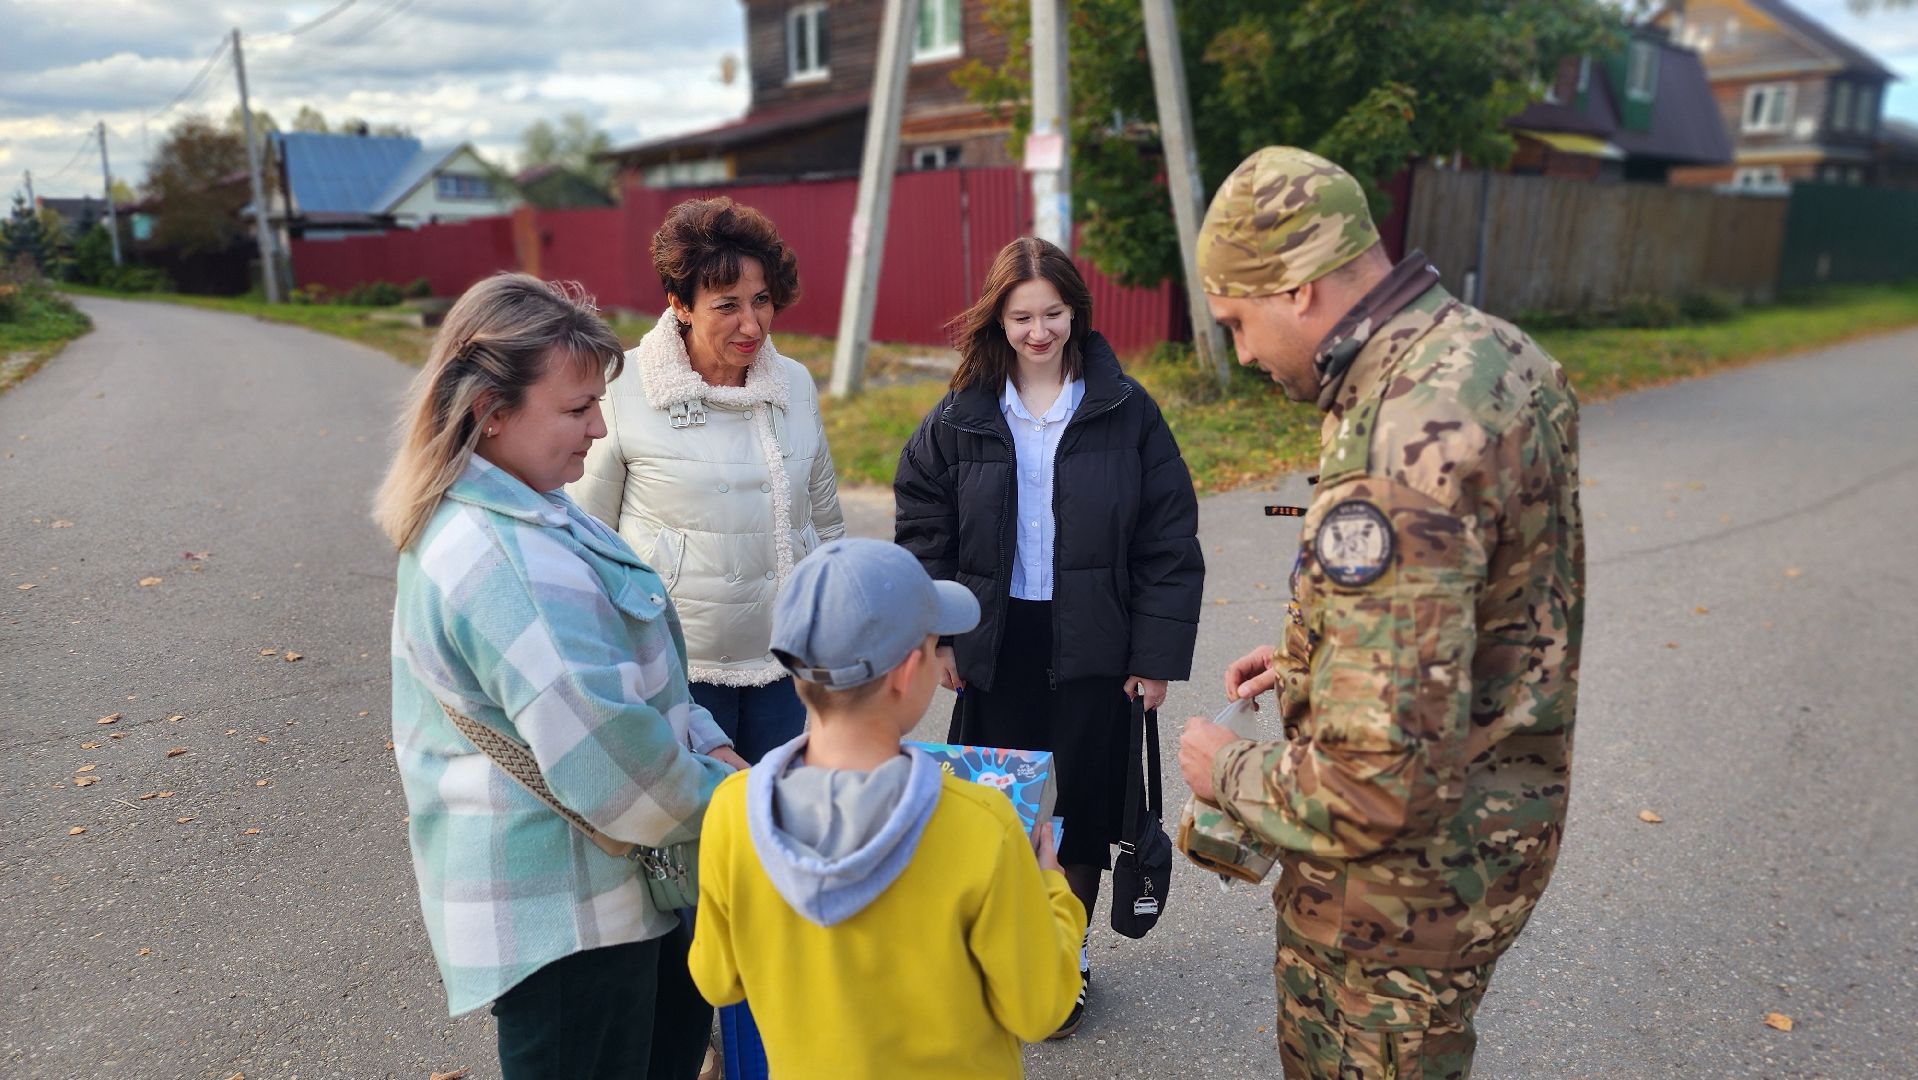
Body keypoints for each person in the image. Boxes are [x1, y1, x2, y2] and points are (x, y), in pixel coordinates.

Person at [1175, 146, 1584, 1080]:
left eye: (1238, 322)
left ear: (1300, 288)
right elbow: (1491, 605)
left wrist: (1225, 767)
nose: (1240, 354)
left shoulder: (1399, 437)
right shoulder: (1500, 355)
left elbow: (1376, 786)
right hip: (1495, 835)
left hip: (1398, 903)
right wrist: (1315, 655)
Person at [377, 272, 745, 1080]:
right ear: (491, 412)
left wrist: (715, 749)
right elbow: (622, 774)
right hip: (579, 921)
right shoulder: (506, 560)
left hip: (613, 897)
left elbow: (643, 678)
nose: (598, 427)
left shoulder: (525, 499)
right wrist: (762, 810)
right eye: (577, 409)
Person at [893, 236, 1204, 1037]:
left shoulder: (1123, 408)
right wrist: (941, 637)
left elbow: (1167, 538)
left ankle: (1065, 961)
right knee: (999, 809)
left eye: (1053, 314)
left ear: (1076, 312)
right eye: (1022, 316)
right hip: (998, 643)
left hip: (1095, 642)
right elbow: (921, 528)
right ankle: (999, 955)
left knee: (1083, 809)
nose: (1038, 332)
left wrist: (1154, 658)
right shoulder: (962, 413)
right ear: (998, 318)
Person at [688, 537, 1086, 1079]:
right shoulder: (980, 822)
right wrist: (1052, 890)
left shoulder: (733, 810)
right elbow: (1041, 1009)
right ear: (906, 672)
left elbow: (718, 978)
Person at [569, 196, 845, 765]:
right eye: (727, 305)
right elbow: (585, 538)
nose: (752, 325)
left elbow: (825, 520)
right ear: (680, 305)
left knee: (780, 820)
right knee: (696, 835)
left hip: (786, 658)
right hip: (677, 662)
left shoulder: (792, 383)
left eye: (762, 301)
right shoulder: (623, 389)